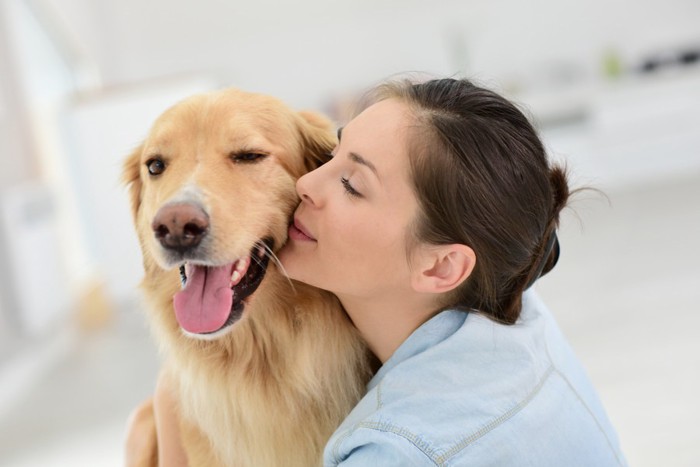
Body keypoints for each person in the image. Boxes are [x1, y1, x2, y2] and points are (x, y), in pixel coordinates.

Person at [127, 77, 627, 466]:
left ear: (442, 264)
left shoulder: (398, 448)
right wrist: (174, 399)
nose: (308, 183)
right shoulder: (514, 305)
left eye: (351, 182)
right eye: (333, 154)